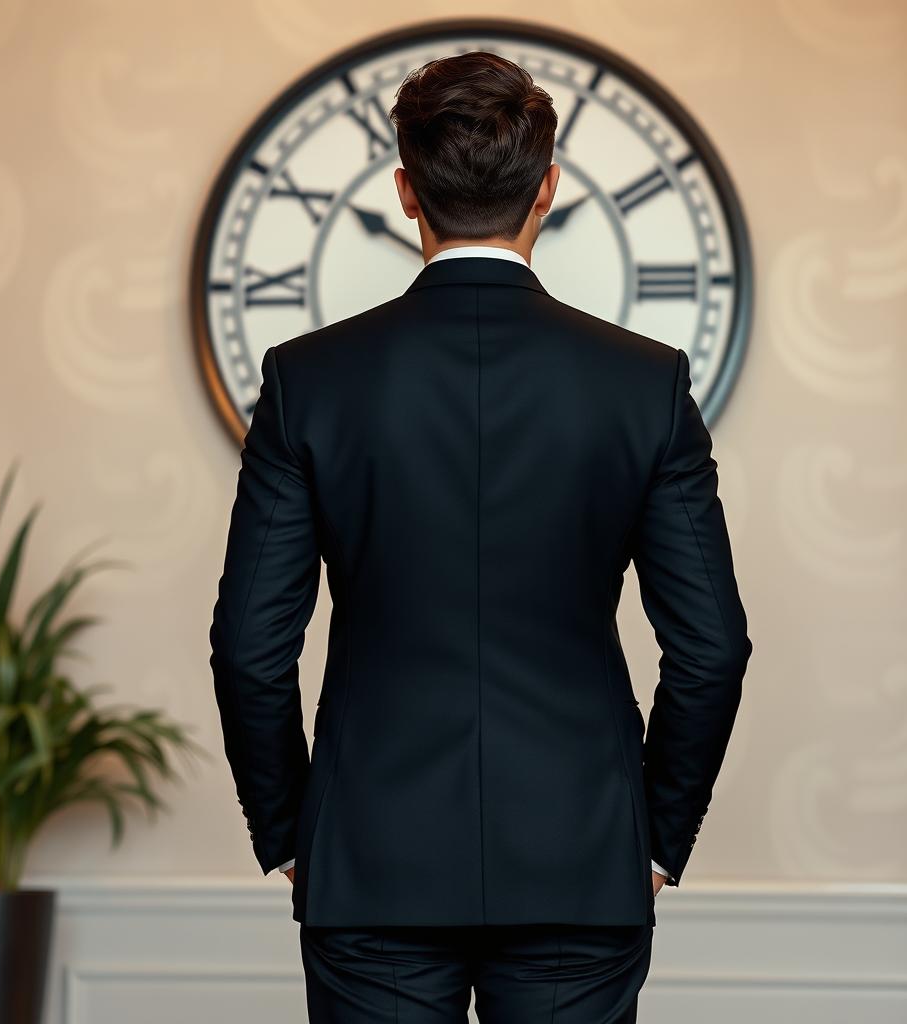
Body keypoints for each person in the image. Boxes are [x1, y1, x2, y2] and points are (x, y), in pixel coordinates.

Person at [209, 49, 752, 1024]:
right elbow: (709, 649)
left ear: (406, 193)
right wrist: (655, 838)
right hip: (580, 864)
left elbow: (251, 649)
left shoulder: (308, 382)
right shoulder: (644, 384)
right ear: (547, 189)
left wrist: (294, 833)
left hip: (368, 862)